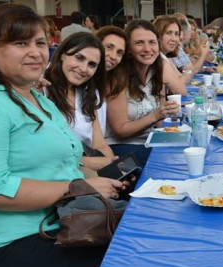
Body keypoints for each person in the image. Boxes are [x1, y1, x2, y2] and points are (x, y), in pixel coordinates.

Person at [0, 4, 123, 267]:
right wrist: (77, 187)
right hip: (2, 250)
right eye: (21, 43)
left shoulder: (34, 97)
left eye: (40, 42)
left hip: (58, 225)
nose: (35, 52)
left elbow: (69, 159)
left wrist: (103, 179)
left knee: (146, 236)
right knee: (137, 266)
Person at [106, 19, 183, 166]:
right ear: (128, 49)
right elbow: (120, 131)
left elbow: (160, 119)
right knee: (172, 162)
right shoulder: (117, 78)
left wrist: (173, 130)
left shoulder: (155, 72)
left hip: (150, 140)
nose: (148, 49)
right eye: (139, 43)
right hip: (120, 147)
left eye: (152, 42)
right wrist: (156, 115)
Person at [45, 32, 116, 172]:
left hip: (88, 168)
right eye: (79, 58)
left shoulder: (88, 95)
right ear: (62, 55)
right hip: (58, 172)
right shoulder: (41, 90)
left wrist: (111, 166)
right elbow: (43, 153)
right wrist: (86, 162)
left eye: (92, 64)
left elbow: (100, 144)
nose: (83, 69)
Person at [94, 26, 127, 137]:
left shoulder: (110, 81)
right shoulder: (78, 81)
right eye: (109, 47)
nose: (113, 56)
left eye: (119, 53)